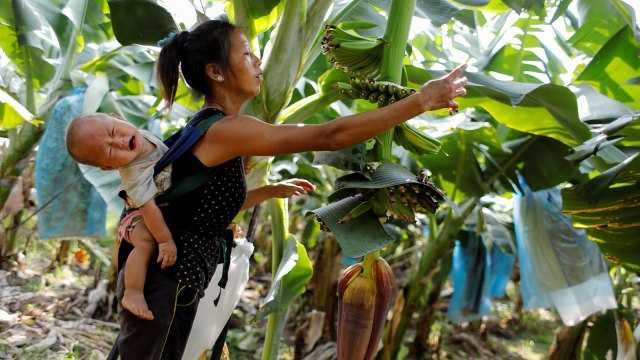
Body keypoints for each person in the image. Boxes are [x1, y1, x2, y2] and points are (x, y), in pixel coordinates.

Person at [107, 16, 467, 359]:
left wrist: (269, 191)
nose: (258, 61)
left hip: (175, 279)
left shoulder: (211, 127)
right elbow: (329, 135)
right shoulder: (225, 130)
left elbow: (198, 209)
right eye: (246, 53)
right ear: (216, 73)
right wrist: (420, 101)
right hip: (164, 281)